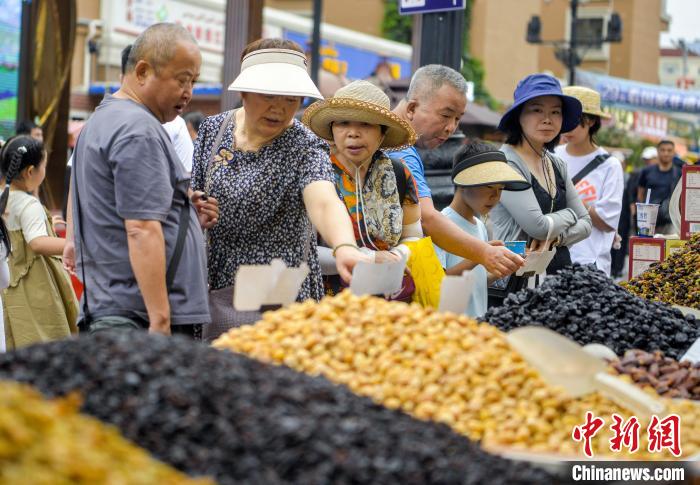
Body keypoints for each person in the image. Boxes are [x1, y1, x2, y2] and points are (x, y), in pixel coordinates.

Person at [190, 39, 365, 311]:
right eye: (269, 95)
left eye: (291, 99)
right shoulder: (213, 129)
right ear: (245, 92)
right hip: (218, 286)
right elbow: (196, 192)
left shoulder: (304, 145)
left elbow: (324, 200)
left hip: (280, 293)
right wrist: (197, 207)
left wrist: (345, 246)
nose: (279, 108)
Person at [66, 23, 218, 335]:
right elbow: (141, 229)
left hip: (117, 307)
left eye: (194, 81)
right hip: (138, 317)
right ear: (143, 71)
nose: (189, 92)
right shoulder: (138, 130)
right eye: (182, 79)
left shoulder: (105, 118)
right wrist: (159, 318)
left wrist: (183, 213)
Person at [391, 65, 524, 279]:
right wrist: (484, 252)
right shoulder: (400, 151)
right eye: (446, 115)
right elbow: (426, 218)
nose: (451, 128)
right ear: (411, 108)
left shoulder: (400, 146)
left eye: (457, 119)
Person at [302, 80, 421, 299]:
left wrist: (397, 255)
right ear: (332, 129)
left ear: (382, 134)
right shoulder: (312, 173)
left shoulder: (398, 173)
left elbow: (413, 236)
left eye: (366, 124)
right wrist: (371, 259)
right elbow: (300, 251)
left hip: (387, 301)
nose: (353, 133)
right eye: (343, 123)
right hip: (322, 304)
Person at [490, 73, 591, 286]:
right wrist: (572, 214)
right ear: (518, 115)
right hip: (515, 282)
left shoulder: (556, 163)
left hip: (559, 280)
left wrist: (558, 238)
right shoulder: (506, 162)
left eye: (555, 112)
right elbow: (538, 227)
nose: (547, 119)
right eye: (537, 110)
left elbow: (587, 225)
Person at [434, 142, 530, 318]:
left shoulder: (479, 225)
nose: (495, 197)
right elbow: (438, 282)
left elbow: (476, 282)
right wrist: (479, 255)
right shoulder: (441, 225)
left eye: (500, 189)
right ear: (463, 183)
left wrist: (502, 269)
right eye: (488, 187)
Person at [0, 135, 77, 349]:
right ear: (31, 172)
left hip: (9, 282)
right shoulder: (28, 204)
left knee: (16, 333)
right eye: (44, 165)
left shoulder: (3, 198)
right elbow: (37, 243)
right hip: (35, 285)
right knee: (43, 335)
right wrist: (72, 246)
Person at [554, 86, 624, 276]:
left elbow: (607, 222)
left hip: (590, 264)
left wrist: (570, 197)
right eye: (562, 118)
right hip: (552, 260)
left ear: (591, 121)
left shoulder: (610, 166)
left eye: (573, 121)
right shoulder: (551, 156)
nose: (566, 127)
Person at [637, 140, 682, 234]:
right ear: (658, 152)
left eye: (669, 150)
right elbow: (640, 194)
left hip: (671, 222)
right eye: (663, 150)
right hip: (649, 222)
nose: (666, 153)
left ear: (673, 153)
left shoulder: (680, 173)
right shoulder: (647, 171)